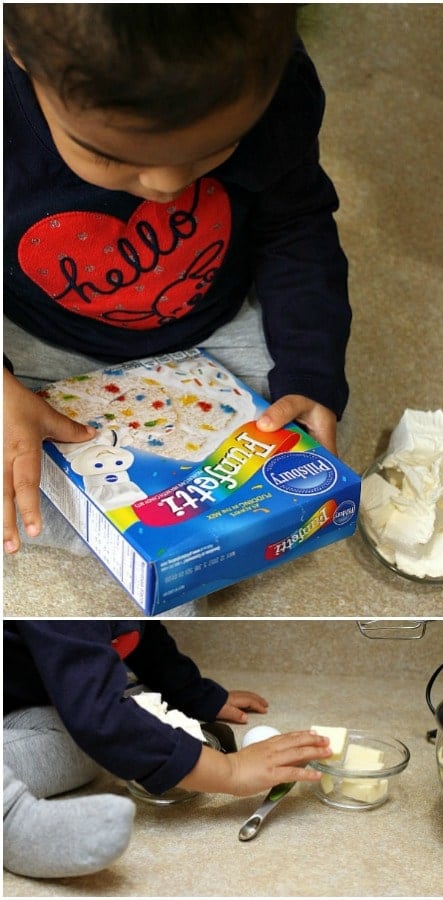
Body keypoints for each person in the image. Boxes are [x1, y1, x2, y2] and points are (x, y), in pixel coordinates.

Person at [3, 4, 351, 560]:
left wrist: (310, 374)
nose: (166, 184)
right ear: (19, 54)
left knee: (304, 421)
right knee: (16, 479)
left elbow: (296, 227)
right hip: (33, 335)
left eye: (216, 147)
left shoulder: (276, 82)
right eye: (109, 154)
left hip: (213, 326)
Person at [3, 620, 332, 879]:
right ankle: (9, 817)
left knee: (98, 736)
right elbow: (100, 717)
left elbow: (141, 637)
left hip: (26, 697)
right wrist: (231, 771)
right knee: (88, 741)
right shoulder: (67, 605)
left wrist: (198, 696)